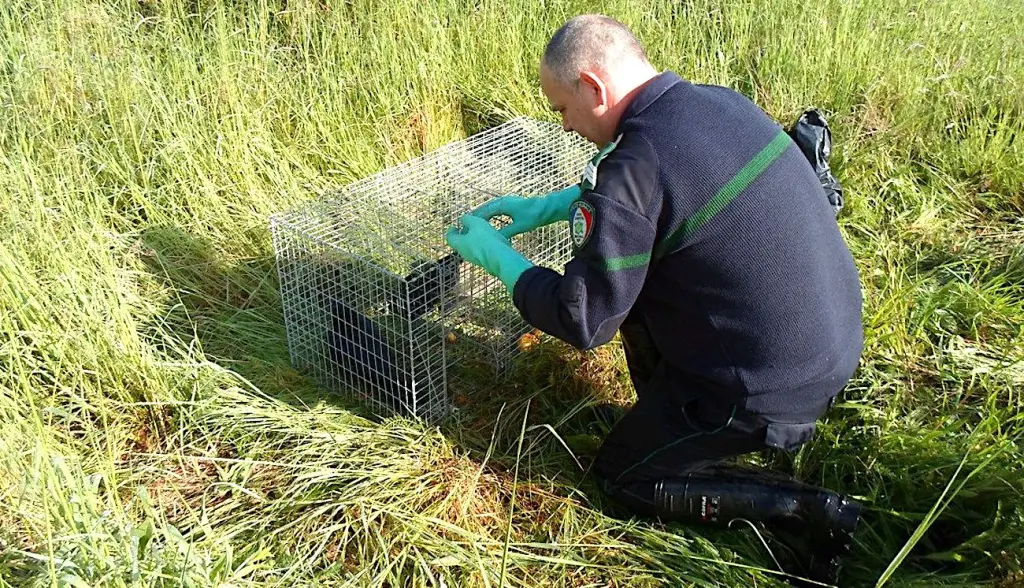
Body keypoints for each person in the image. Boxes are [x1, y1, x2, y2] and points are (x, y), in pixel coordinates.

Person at [446, 14, 864, 585]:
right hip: (831, 340)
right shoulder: (717, 103)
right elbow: (659, 193)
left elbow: (583, 318)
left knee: (623, 477)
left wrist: (498, 257)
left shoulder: (635, 166)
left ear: (593, 87)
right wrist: (546, 206)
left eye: (563, 108)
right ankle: (675, 417)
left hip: (770, 389)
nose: (566, 126)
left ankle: (810, 511)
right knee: (635, 285)